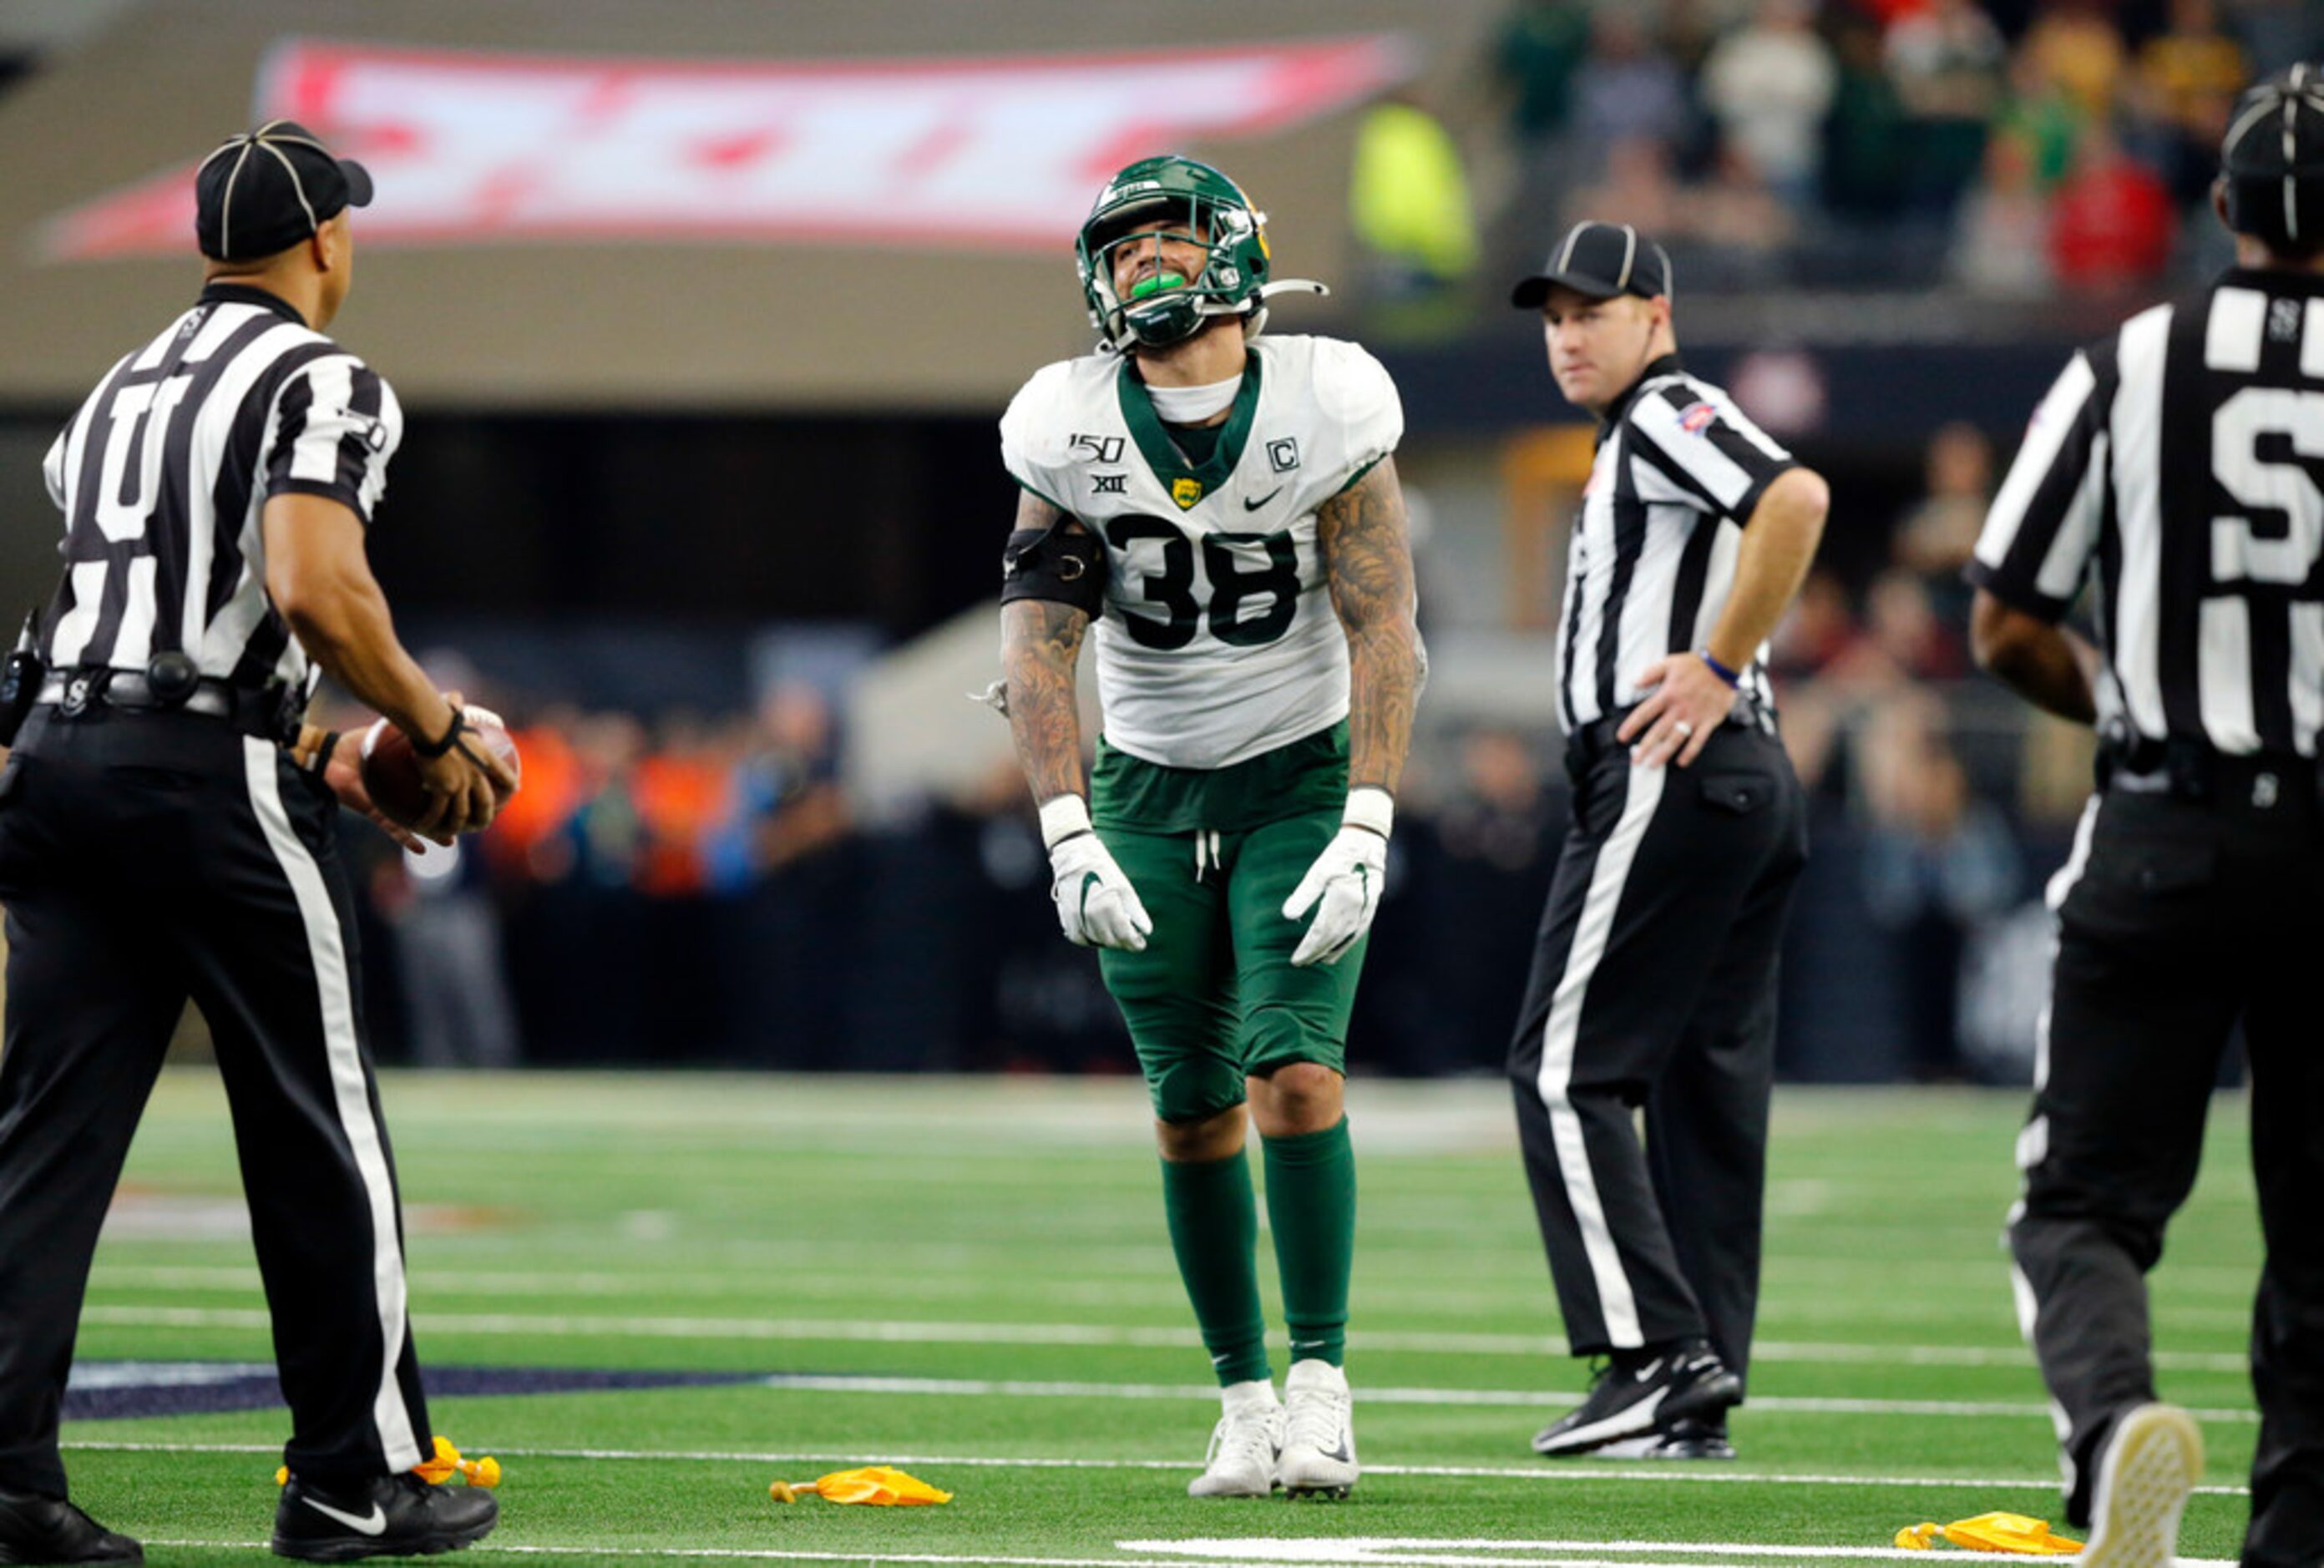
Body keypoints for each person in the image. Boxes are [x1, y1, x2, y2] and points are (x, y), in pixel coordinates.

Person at [0, 122, 514, 1565]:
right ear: (328, 242)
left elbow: (116, 632)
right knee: (319, 1126)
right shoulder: (323, 375)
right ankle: (359, 1474)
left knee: (41, 1140)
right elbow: (310, 585)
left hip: (59, 762)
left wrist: (333, 754)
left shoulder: (118, 386)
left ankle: (6, 1471)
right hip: (197, 782)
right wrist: (431, 724)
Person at [992, 154, 1420, 1500]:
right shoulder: (1064, 420)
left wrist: (1368, 819)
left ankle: (1324, 1383)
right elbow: (1038, 643)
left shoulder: (1327, 396)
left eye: (1167, 239)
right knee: (1189, 1107)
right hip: (1148, 788)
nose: (1142, 266)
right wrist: (1066, 827)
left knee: (1293, 1070)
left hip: (1298, 776)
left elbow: (1383, 623)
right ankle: (1240, 1396)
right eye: (1119, 250)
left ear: (1234, 248)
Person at [1967, 66, 2324, 1568]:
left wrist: (2123, 702)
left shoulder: (2137, 360)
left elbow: (2003, 621)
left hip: (2167, 827)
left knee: (2083, 1207)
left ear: (2223, 208)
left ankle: (2115, 1425)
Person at [1504, 221, 1827, 1461]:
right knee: (1702, 1090)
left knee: (1559, 1068)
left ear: (1658, 313)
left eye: (1594, 309)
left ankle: (1651, 1353)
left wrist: (1716, 662)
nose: (1569, 335)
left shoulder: (1666, 408)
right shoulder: (1629, 434)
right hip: (1736, 779)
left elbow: (1795, 495)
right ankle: (1700, 1389)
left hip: (1670, 767)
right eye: (1553, 317)